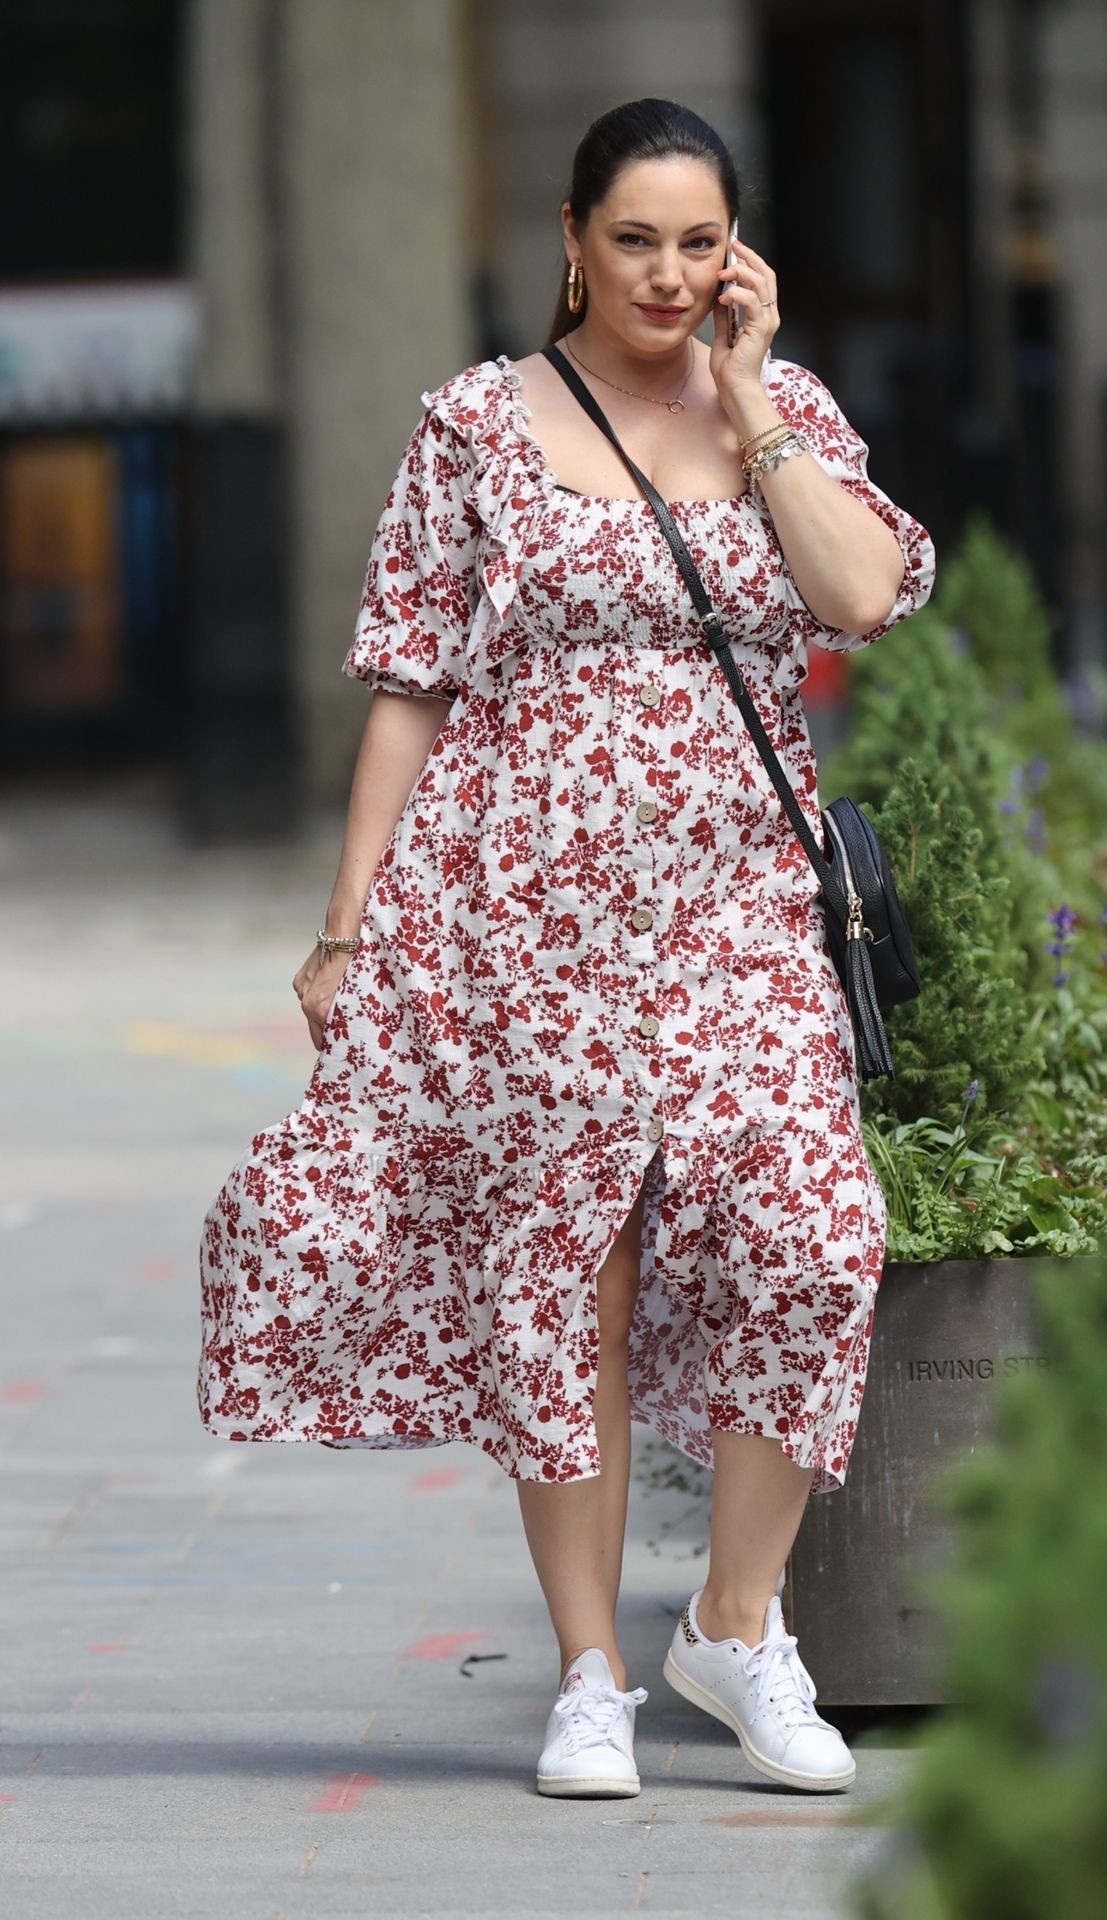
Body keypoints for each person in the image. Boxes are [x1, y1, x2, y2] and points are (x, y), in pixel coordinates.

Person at [197, 97, 936, 1800]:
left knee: (814, 1234)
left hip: (742, 906)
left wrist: (755, 402)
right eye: (634, 240)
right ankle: (590, 1672)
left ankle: (736, 1626)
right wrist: (347, 925)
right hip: (521, 912)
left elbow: (858, 598)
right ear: (572, 239)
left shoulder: (788, 412)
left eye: (699, 243)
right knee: (564, 1275)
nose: (667, 275)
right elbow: (410, 686)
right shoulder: (474, 423)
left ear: (740, 253)